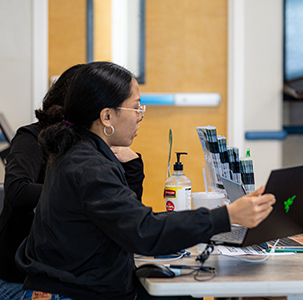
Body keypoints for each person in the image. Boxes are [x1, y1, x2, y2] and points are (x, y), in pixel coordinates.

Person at [15, 61, 275, 300]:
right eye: (136, 107)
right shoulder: (88, 167)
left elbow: (130, 218)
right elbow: (144, 231)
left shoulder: (78, 152)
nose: (140, 115)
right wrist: (227, 216)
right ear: (106, 117)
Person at [0, 65, 85, 300]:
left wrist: (131, 168)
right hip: (23, 279)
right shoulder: (32, 137)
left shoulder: (92, 146)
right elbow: (17, 191)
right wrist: (80, 195)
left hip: (70, 275)